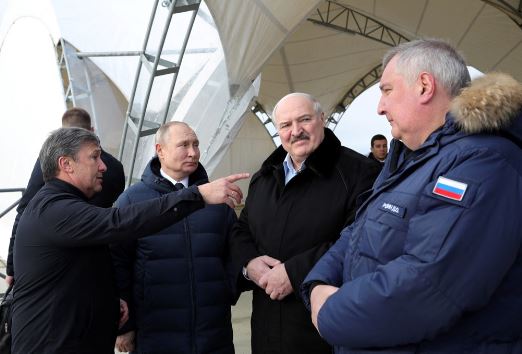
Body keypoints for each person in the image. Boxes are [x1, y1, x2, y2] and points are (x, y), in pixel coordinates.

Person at [301, 39, 522, 353]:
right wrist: (317, 283)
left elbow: (426, 286)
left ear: (424, 86)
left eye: (387, 90)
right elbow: (358, 232)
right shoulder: (411, 159)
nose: (380, 106)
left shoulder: (483, 163)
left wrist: (329, 313)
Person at [11, 127, 248, 353]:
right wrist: (197, 196)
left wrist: (110, 301)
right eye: (95, 157)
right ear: (66, 164)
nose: (103, 166)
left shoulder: (65, 205)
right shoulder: (54, 210)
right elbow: (119, 223)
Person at [229, 93, 381, 353]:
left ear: (322, 119)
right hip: (266, 330)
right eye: (286, 125)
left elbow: (361, 241)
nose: (296, 131)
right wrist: (248, 263)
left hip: (324, 330)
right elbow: (242, 230)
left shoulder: (360, 173)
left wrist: (295, 272)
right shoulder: (264, 178)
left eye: (305, 120)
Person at [111, 122, 237, 354]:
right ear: (160, 150)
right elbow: (118, 265)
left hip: (213, 334)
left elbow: (234, 253)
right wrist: (125, 326)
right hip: (156, 335)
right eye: (184, 145)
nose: (193, 152)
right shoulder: (131, 201)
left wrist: (224, 290)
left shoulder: (218, 196)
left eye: (196, 144)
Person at [5, 107, 125, 285]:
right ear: (91, 130)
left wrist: (11, 267)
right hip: (99, 259)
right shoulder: (114, 168)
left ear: (62, 131)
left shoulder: (50, 161)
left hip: (55, 260)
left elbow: (24, 210)